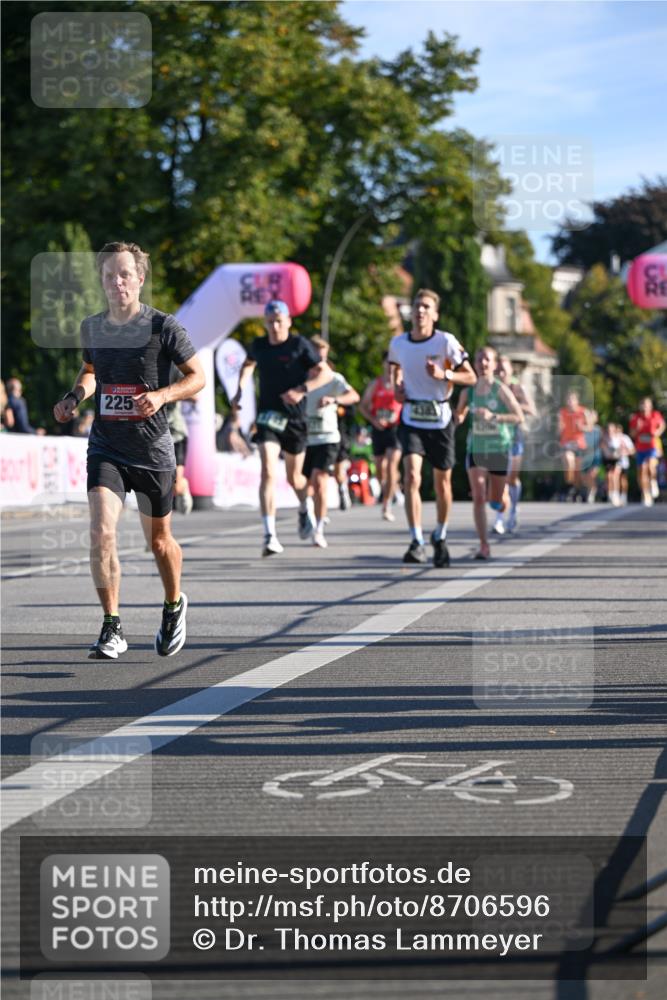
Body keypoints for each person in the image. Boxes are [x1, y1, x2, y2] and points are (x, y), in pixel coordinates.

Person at [52, 241, 205, 660]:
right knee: (101, 533)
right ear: (101, 281)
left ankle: (174, 604)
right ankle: (111, 627)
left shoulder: (163, 327)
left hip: (153, 450)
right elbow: (91, 371)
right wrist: (74, 397)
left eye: (124, 274)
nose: (116, 282)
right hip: (106, 447)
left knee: (160, 543)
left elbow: (197, 378)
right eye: (108, 275)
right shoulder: (93, 327)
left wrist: (163, 395)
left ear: (140, 279)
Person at [232, 300, 330, 556]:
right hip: (268, 417)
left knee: (294, 478)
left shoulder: (299, 345)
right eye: (270, 322)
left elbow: (325, 373)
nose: (274, 326)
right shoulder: (260, 345)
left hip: (295, 421)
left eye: (279, 321)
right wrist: (241, 388)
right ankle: (269, 535)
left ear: (288, 321)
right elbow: (248, 364)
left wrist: (301, 390)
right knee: (267, 470)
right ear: (265, 323)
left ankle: (303, 505)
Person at [388, 288, 476, 566]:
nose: (421, 311)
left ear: (435, 315)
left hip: (439, 417)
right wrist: (397, 388)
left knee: (442, 482)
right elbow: (394, 370)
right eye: (417, 306)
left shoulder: (445, 341)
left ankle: (440, 535)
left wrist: (445, 374)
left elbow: (471, 377)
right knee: (412, 476)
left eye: (426, 306)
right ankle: (416, 540)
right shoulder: (399, 343)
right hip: (412, 415)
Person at [455, 346, 524, 560]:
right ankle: (484, 545)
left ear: (494, 365)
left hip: (498, 449)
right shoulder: (468, 392)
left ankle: (504, 502)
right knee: (478, 496)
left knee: (495, 501)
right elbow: (460, 414)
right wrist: (455, 418)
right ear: (474, 364)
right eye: (479, 360)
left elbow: (519, 416)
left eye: (487, 360)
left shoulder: (501, 390)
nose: (483, 364)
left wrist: (494, 417)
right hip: (476, 449)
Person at [303, 338, 360, 548]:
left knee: (320, 483)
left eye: (323, 354)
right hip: (304, 438)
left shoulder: (334, 379)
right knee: (304, 486)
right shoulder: (301, 378)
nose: (320, 358)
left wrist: (334, 400)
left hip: (328, 437)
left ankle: (318, 529)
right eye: (316, 353)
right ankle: (306, 512)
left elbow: (354, 395)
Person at [359, 353, 403, 521]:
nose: (390, 367)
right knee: (380, 470)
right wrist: (374, 420)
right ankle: (393, 488)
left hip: (396, 429)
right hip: (379, 429)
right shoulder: (375, 384)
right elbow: (363, 406)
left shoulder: (401, 384)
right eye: (388, 363)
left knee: (392, 465)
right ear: (383, 364)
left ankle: (386, 504)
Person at [495, 355, 536, 533]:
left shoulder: (517, 387)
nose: (501, 373)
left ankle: (513, 510)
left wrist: (514, 404)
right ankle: (499, 518)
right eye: (498, 369)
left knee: (511, 477)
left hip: (514, 435)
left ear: (511, 370)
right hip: (495, 436)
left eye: (504, 369)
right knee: (498, 477)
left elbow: (531, 409)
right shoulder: (491, 386)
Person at [629, 397, 666, 506]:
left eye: (646, 404)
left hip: (652, 446)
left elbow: (662, 425)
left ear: (650, 406)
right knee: (642, 471)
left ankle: (653, 483)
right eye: (643, 404)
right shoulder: (636, 418)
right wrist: (637, 428)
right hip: (640, 448)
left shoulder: (655, 415)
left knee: (650, 466)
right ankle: (645, 494)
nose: (644, 407)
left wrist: (657, 432)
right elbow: (632, 434)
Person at [558, 390, 588, 500]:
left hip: (579, 444)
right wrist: (559, 427)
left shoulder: (583, 411)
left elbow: (589, 427)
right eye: (568, 399)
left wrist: (581, 427)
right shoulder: (562, 412)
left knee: (578, 471)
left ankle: (578, 489)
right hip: (567, 443)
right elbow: (559, 428)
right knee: (569, 463)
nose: (570, 402)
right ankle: (570, 487)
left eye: (572, 399)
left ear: (577, 401)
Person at [581, 409, 602, 503]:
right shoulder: (581, 430)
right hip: (585, 457)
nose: (589, 418)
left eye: (592, 417)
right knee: (585, 477)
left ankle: (592, 491)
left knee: (592, 474)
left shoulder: (598, 430)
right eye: (588, 417)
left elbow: (601, 442)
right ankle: (591, 488)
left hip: (596, 456)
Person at [601, 422, 624, 506]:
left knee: (615, 476)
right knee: (609, 476)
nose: (610, 431)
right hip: (608, 459)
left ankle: (616, 494)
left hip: (617, 459)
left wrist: (618, 453)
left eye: (611, 429)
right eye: (608, 430)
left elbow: (623, 448)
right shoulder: (604, 438)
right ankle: (610, 494)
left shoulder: (619, 437)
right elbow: (602, 448)